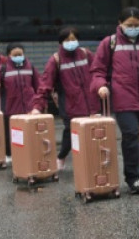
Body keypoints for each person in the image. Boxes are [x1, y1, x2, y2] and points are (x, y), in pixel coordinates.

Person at [90, 7, 139, 194]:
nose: (133, 28)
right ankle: (134, 177)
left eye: (137, 25)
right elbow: (98, 70)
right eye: (129, 25)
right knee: (131, 135)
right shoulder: (110, 43)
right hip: (123, 99)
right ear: (120, 24)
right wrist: (100, 85)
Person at [31, 27, 99, 171]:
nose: (71, 42)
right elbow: (45, 84)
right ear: (61, 42)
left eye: (73, 39)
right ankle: (61, 156)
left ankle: (90, 162)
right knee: (70, 134)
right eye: (67, 40)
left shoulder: (86, 54)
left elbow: (98, 72)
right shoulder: (56, 60)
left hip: (92, 104)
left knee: (93, 134)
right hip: (70, 106)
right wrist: (37, 106)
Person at [0, 42, 40, 162]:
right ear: (8, 55)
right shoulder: (3, 68)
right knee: (10, 133)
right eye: (15, 54)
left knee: (29, 131)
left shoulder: (30, 66)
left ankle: (29, 152)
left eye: (20, 54)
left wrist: (39, 102)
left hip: (29, 106)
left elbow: (38, 84)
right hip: (10, 106)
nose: (18, 56)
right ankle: (9, 154)